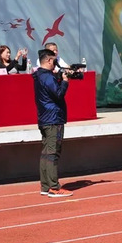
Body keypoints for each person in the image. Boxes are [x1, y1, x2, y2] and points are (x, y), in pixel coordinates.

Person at [33, 48, 73, 197]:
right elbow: (58, 93)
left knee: (46, 153)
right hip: (53, 118)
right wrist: (65, 81)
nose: (56, 64)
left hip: (45, 118)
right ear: (49, 60)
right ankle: (54, 187)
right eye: (54, 61)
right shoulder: (47, 77)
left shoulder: (39, 75)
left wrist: (60, 78)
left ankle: (45, 186)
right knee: (52, 153)